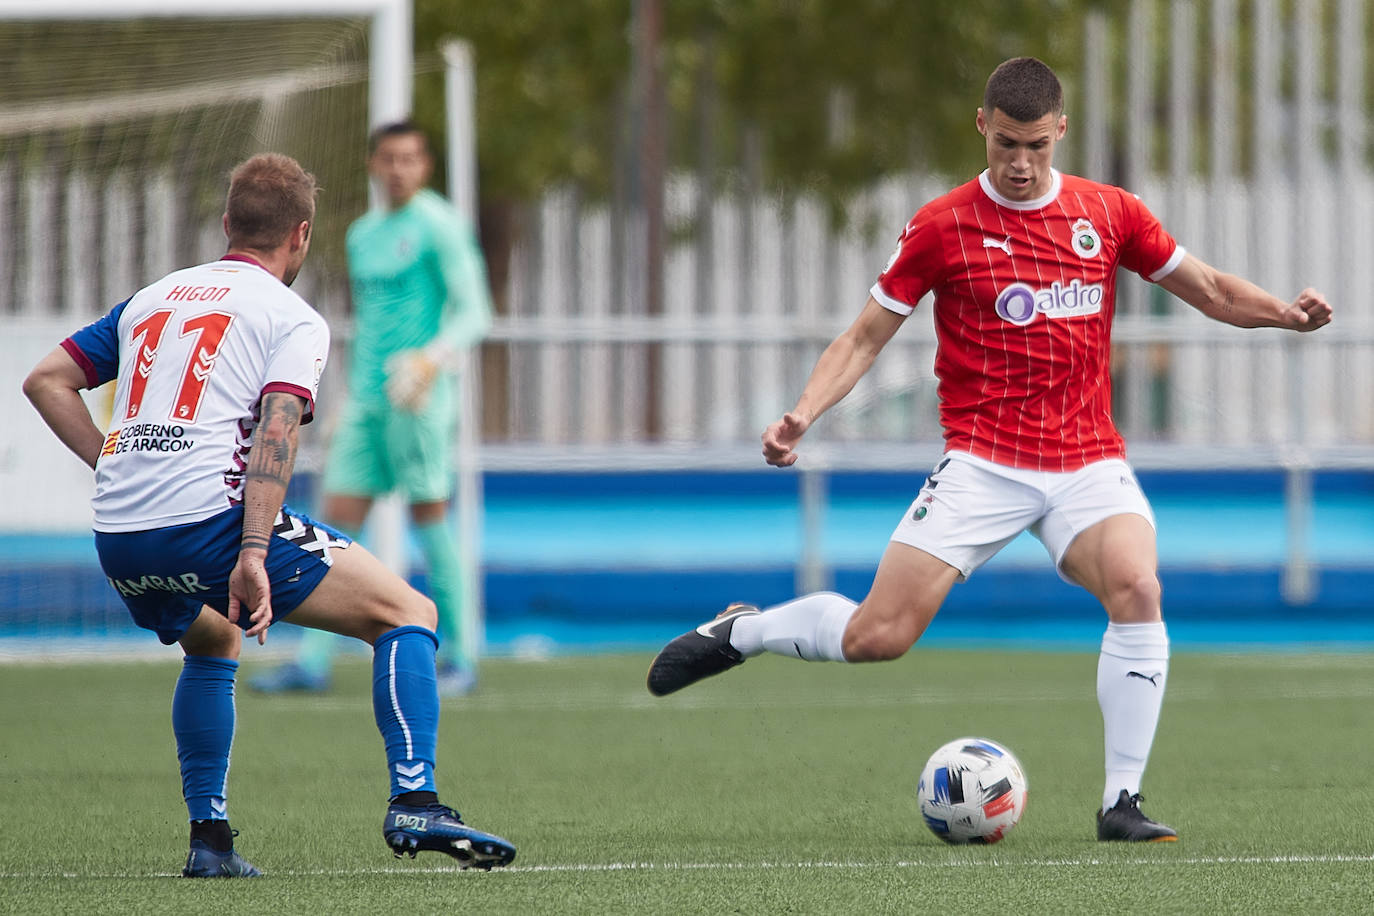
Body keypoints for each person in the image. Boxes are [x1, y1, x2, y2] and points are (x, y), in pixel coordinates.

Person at [646, 57, 1333, 842]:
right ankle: (747, 630)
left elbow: (1208, 289)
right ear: (982, 127)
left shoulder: (1109, 214)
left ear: (1061, 132)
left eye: (1035, 146)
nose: (1019, 162)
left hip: (1086, 461)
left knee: (1138, 588)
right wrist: (802, 412)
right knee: (880, 638)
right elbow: (867, 336)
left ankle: (1121, 802)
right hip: (984, 461)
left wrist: (1285, 313)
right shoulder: (942, 226)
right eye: (1006, 143)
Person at [22, 153, 515, 877]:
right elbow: (277, 433)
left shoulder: (155, 297)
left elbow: (45, 381)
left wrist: (114, 464)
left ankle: (211, 842)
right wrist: (253, 551)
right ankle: (417, 797)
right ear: (302, 236)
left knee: (212, 641)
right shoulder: (292, 316)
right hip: (209, 525)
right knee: (407, 614)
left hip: (120, 533)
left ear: (227, 226)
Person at [252, 120, 494, 698]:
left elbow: (474, 311)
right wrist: (347, 399)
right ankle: (312, 661)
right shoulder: (363, 234)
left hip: (419, 396)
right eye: (388, 158)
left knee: (429, 517)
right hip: (367, 400)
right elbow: (372, 325)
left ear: (425, 165)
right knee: (333, 521)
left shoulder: (439, 226)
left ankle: (461, 654)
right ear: (372, 165)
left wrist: (431, 360)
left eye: (409, 158)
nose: (398, 169)